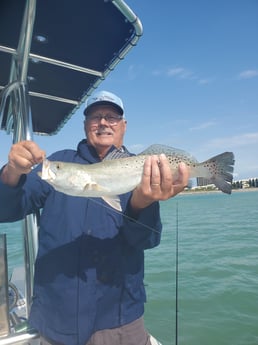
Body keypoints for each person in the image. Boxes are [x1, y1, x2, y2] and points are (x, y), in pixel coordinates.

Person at [0, 90, 189, 345]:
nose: (103, 122)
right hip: (56, 319)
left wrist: (142, 203)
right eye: (95, 116)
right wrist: (12, 172)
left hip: (120, 320)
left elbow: (147, 241)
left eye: (111, 117)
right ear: (85, 125)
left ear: (124, 126)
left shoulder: (143, 170)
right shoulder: (58, 163)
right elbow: (8, 209)